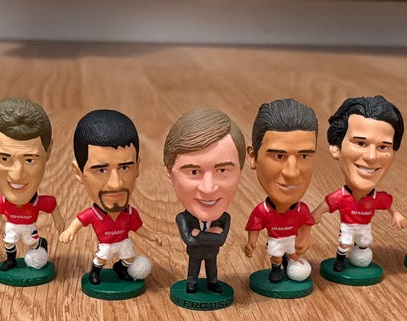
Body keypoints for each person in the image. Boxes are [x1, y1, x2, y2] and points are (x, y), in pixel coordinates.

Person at [60, 109, 161, 285]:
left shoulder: (130, 213)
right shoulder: (94, 214)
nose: (116, 184)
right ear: (78, 172)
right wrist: (70, 231)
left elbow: (138, 227)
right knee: (101, 258)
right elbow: (80, 221)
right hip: (106, 244)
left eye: (125, 168)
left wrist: (151, 236)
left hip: (123, 241)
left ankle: (120, 268)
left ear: (138, 167)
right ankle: (95, 273)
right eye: (101, 170)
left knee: (128, 257)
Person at [312, 95, 405, 272]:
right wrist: (315, 214)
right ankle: (340, 260)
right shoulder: (341, 196)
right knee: (344, 243)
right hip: (348, 226)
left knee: (364, 242)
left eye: (383, 147)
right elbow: (327, 205)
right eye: (361, 143)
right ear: (336, 148)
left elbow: (388, 205)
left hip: (364, 227)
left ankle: (359, 255)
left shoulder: (377, 198)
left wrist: (396, 214)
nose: (371, 157)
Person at [164, 107, 245, 294]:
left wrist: (199, 235)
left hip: (212, 253)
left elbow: (220, 240)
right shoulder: (183, 218)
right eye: (193, 172)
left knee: (211, 268)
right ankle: (191, 283)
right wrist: (210, 234)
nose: (208, 189)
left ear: (240, 171)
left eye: (222, 170)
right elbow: (189, 239)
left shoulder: (224, 218)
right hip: (195, 254)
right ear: (170, 175)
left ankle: (213, 282)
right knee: (193, 268)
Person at [0, 98, 64, 271]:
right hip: (12, 226)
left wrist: (58, 219)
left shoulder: (37, 201)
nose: (17, 175)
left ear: (48, 151)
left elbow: (51, 205)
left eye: (30, 160)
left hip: (29, 228)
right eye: (4, 158)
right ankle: (11, 259)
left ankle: (40, 244)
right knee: (9, 241)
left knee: (31, 242)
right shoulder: (4, 201)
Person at [244, 98, 318, 283]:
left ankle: (287, 263)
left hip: (291, 242)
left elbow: (306, 224)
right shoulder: (263, 211)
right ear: (253, 157)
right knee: (276, 256)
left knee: (292, 254)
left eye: (304, 155)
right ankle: (277, 268)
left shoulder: (301, 210)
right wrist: (252, 241)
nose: (292, 173)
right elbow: (255, 226)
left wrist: (305, 237)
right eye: (278, 156)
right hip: (276, 242)